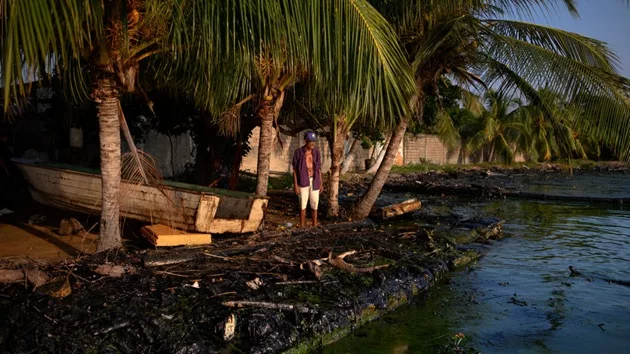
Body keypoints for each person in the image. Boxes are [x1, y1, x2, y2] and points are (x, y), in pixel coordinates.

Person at [292, 131, 323, 227]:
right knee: (303, 203)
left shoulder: (316, 152)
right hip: (302, 181)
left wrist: (321, 183)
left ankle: (314, 224)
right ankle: (302, 225)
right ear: (305, 141)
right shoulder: (298, 152)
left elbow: (318, 169)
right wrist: (295, 185)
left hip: (314, 180)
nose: (313, 144)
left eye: (314, 141)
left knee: (314, 203)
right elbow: (295, 170)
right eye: (310, 141)